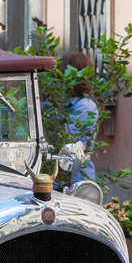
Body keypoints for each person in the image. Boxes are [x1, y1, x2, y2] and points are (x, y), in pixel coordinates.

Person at [58, 51, 98, 183]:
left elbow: (66, 139)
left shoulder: (86, 106)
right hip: (59, 174)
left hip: (76, 177)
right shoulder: (59, 104)